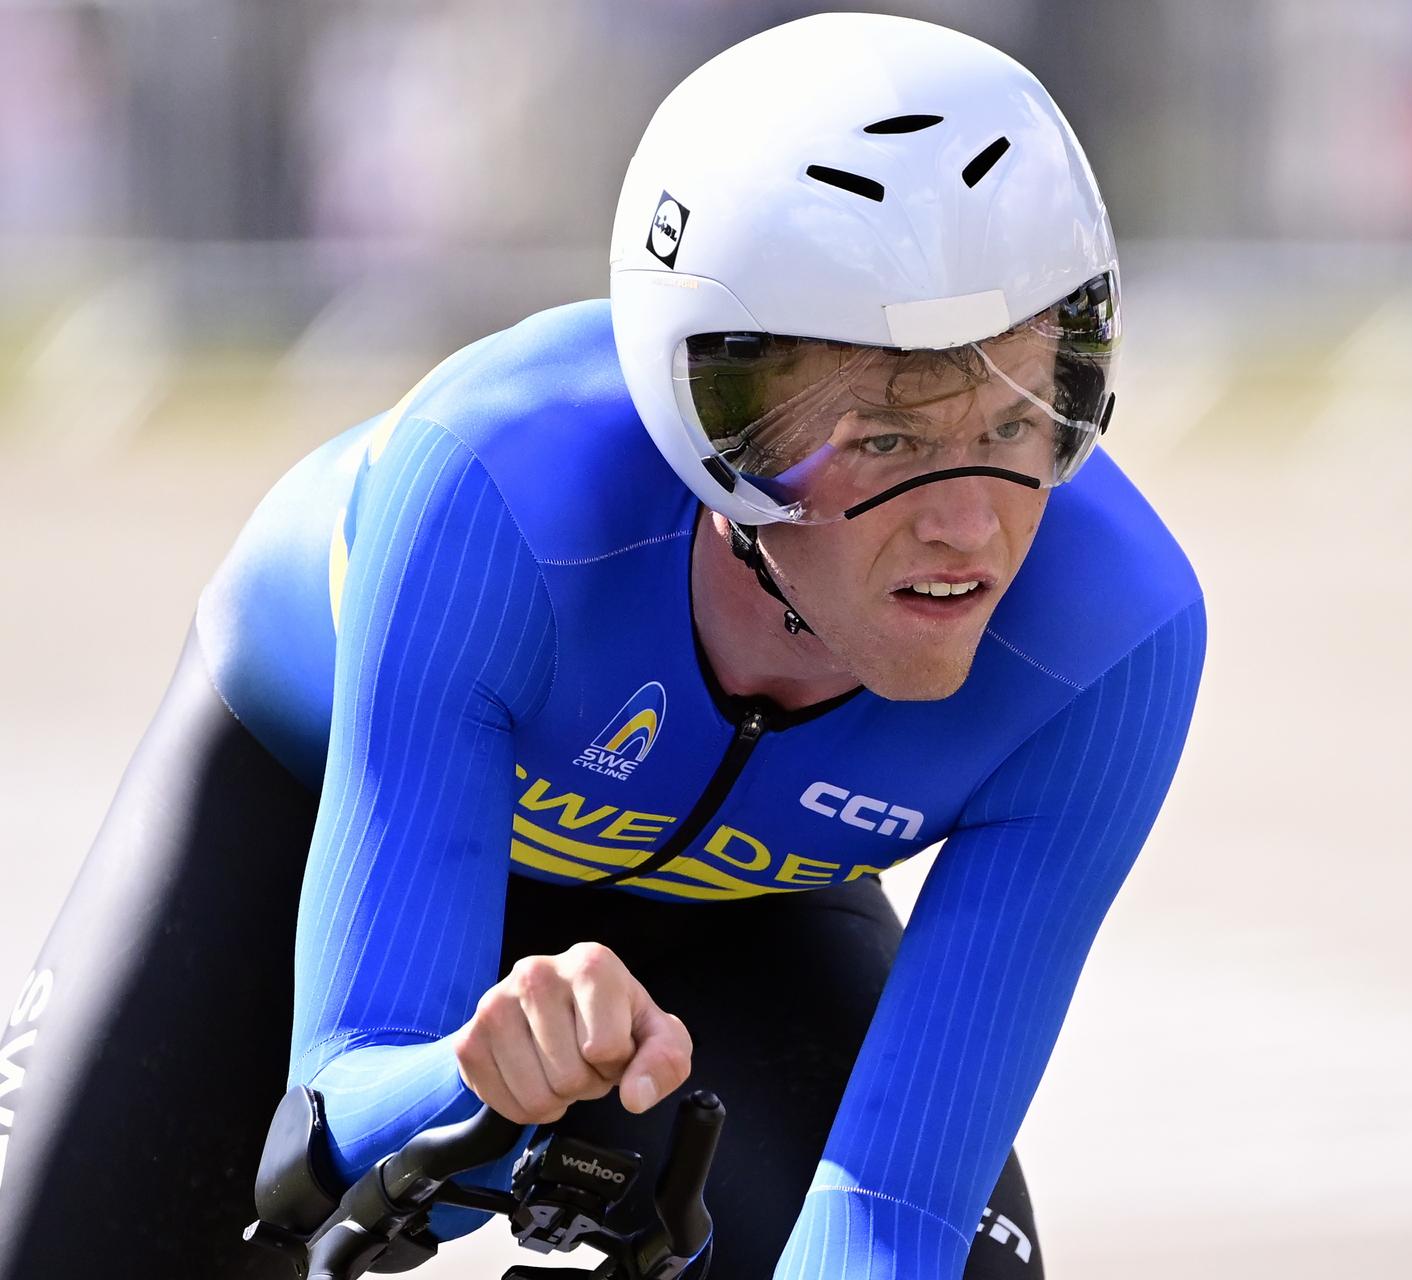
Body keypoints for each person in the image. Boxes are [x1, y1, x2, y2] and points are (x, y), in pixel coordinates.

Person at [0, 13, 1204, 1279]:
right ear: (717, 424)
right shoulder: (493, 488)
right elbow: (337, 1146)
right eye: (884, 438)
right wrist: (489, 1086)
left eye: (1021, 417)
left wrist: (610, 1128)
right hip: (302, 799)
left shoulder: (1119, 643)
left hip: (739, 913)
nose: (971, 528)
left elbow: (889, 1217)